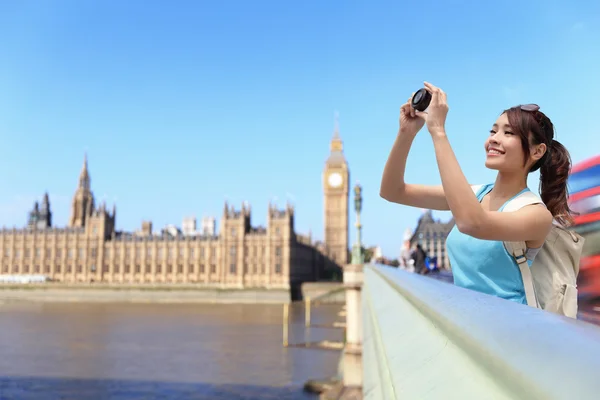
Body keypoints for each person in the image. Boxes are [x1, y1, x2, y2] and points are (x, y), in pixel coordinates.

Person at [380, 82, 573, 305]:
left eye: (508, 132)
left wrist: (438, 131)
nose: (493, 138)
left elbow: (472, 223)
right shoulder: (475, 195)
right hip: (466, 323)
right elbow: (393, 191)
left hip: (511, 332)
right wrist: (406, 133)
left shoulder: (537, 215)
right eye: (493, 131)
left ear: (537, 151)